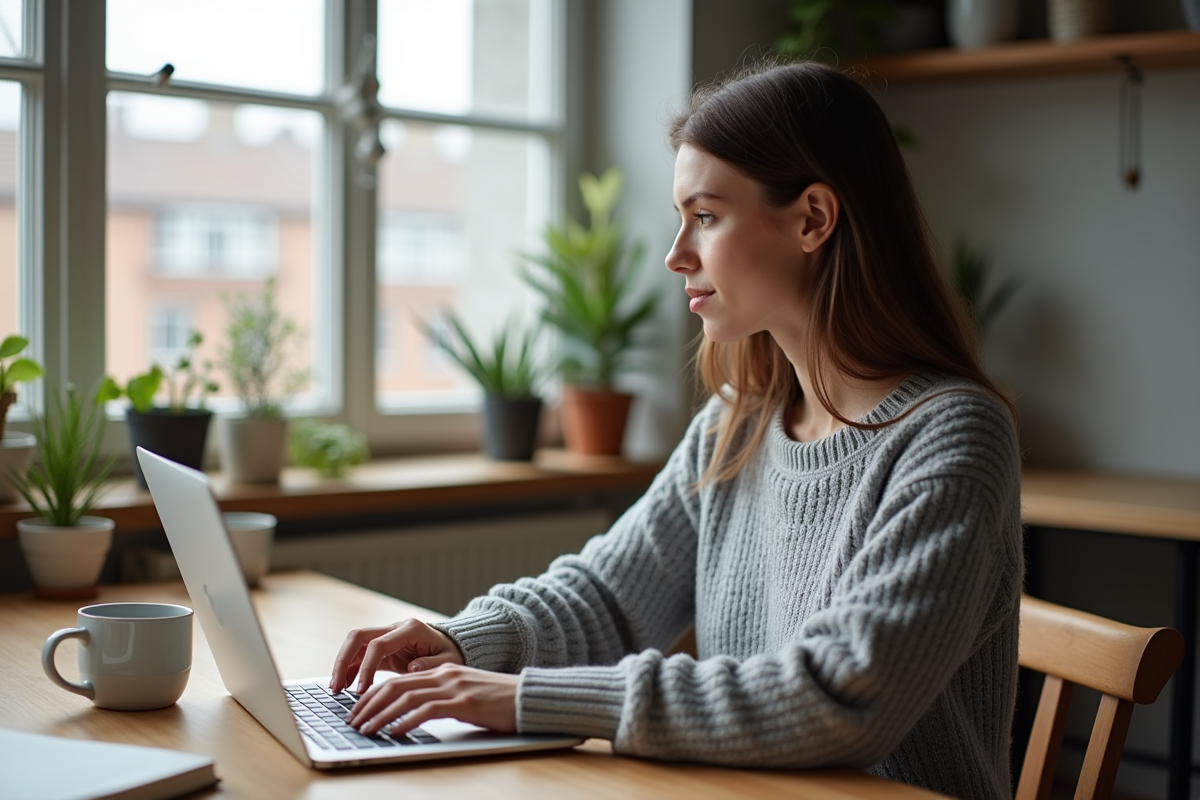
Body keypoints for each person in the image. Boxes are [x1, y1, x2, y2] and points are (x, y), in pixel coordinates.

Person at [330, 60, 1022, 800]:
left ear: (813, 219)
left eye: (707, 216)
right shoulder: (738, 426)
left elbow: (839, 697)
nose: (675, 254)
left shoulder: (953, 437)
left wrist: (522, 698)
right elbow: (610, 597)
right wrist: (462, 642)